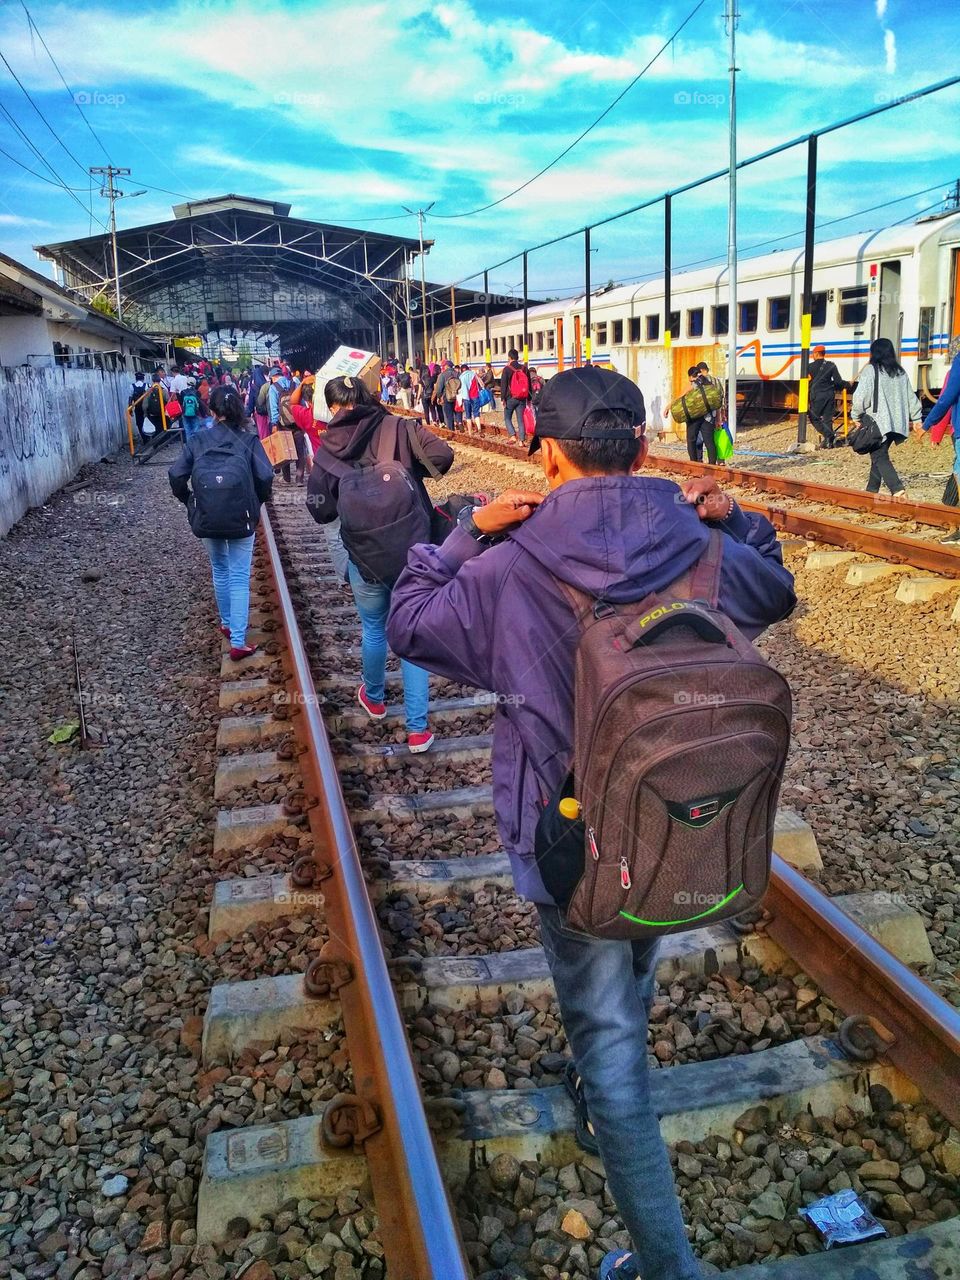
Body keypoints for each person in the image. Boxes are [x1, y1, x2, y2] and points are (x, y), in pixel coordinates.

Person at [387, 365, 796, 1280]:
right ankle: (604, 1066)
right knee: (637, 941)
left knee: (608, 1038)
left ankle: (666, 1265)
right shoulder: (703, 542)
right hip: (684, 819)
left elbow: (409, 623)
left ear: (547, 451)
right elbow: (776, 589)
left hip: (568, 839)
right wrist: (737, 519)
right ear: (644, 448)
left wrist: (461, 532)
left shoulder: (507, 562)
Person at [307, 375, 454, 753]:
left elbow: (319, 512)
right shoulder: (399, 427)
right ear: (368, 397)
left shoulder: (326, 450)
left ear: (331, 406)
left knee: (374, 629)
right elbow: (443, 457)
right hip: (413, 554)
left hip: (365, 558)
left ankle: (373, 697)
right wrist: (407, 473)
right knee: (413, 637)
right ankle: (418, 731)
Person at [168, 386, 274, 661]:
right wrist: (255, 503)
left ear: (212, 411)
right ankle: (238, 641)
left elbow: (176, 475)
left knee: (220, 569)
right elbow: (265, 477)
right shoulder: (249, 440)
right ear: (238, 409)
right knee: (240, 576)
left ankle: (227, 624)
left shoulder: (198, 440)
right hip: (242, 517)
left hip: (208, 516)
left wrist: (190, 501)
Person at [851, 337, 922, 499]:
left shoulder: (871, 370)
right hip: (897, 425)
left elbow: (861, 397)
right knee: (878, 453)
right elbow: (911, 398)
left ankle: (898, 489)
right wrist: (917, 419)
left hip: (879, 423)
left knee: (879, 456)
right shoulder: (900, 372)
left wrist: (856, 415)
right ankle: (871, 491)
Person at [919, 335, 960, 541]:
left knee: (958, 473)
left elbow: (946, 400)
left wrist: (931, 429)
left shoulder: (955, 370)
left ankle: (954, 522)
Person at [808, 345, 849, 449]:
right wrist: (847, 384)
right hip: (829, 395)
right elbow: (838, 382)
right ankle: (829, 442)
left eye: (813, 354)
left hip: (816, 395)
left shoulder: (809, 367)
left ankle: (829, 436)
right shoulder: (831, 365)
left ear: (816, 354)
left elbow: (806, 382)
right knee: (827, 419)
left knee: (813, 417)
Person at [679, 366, 718, 464]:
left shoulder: (695, 383)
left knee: (691, 439)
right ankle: (712, 465)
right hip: (708, 416)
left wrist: (668, 407)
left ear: (690, 376)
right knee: (709, 442)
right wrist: (718, 418)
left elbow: (681, 396)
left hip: (695, 417)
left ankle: (694, 463)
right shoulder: (711, 381)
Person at [500, 348, 531, 445]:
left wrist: (502, 399)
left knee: (507, 418)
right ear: (517, 357)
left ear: (509, 357)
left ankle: (513, 436)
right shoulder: (524, 368)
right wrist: (529, 398)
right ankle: (521, 441)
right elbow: (529, 385)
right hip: (522, 398)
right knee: (520, 420)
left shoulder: (507, 369)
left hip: (510, 398)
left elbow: (503, 385)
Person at [433, 359, 461, 432]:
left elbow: (439, 388)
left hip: (446, 397)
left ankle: (451, 431)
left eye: (444, 366)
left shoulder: (442, 375)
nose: (443, 367)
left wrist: (439, 397)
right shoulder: (458, 374)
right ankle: (459, 423)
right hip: (457, 396)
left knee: (448, 415)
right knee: (457, 412)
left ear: (446, 366)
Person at [128, 372, 148, 444]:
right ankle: (148, 437)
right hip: (146, 408)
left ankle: (144, 438)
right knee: (147, 422)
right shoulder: (146, 386)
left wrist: (130, 409)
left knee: (139, 423)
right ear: (143, 378)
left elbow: (130, 398)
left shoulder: (132, 386)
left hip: (137, 408)